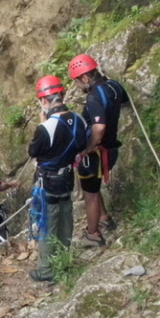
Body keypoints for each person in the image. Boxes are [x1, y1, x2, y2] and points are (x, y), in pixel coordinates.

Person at [27, 75, 87, 282]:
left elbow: (33, 151)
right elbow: (80, 145)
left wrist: (42, 124)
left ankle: (46, 271)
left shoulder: (45, 128)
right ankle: (64, 261)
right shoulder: (78, 120)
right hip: (68, 177)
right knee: (65, 219)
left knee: (47, 223)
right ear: (62, 95)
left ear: (44, 101)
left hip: (48, 182)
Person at [69, 53, 129, 246]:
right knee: (94, 187)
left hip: (96, 154)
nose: (78, 87)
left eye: (77, 82)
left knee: (90, 193)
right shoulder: (114, 86)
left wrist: (88, 148)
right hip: (111, 149)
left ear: (85, 78)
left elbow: (99, 127)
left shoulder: (94, 97)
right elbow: (125, 101)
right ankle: (104, 218)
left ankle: (93, 234)